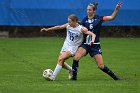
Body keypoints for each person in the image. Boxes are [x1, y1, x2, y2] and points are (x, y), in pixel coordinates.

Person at [71, 2, 122, 80]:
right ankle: (73, 78)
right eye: (87, 9)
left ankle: (115, 77)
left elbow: (112, 17)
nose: (88, 11)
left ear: (94, 11)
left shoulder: (99, 18)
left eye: (90, 10)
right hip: (85, 44)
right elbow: (79, 29)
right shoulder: (84, 20)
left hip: (95, 45)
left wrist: (117, 9)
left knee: (100, 65)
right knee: (76, 57)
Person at [41, 14, 96, 81]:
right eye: (68, 21)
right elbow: (59, 27)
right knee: (62, 62)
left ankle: (53, 77)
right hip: (66, 45)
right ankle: (71, 70)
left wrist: (92, 41)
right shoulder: (68, 26)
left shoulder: (81, 29)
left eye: (70, 21)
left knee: (60, 59)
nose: (68, 23)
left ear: (75, 21)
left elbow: (93, 34)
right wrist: (47, 29)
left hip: (73, 48)